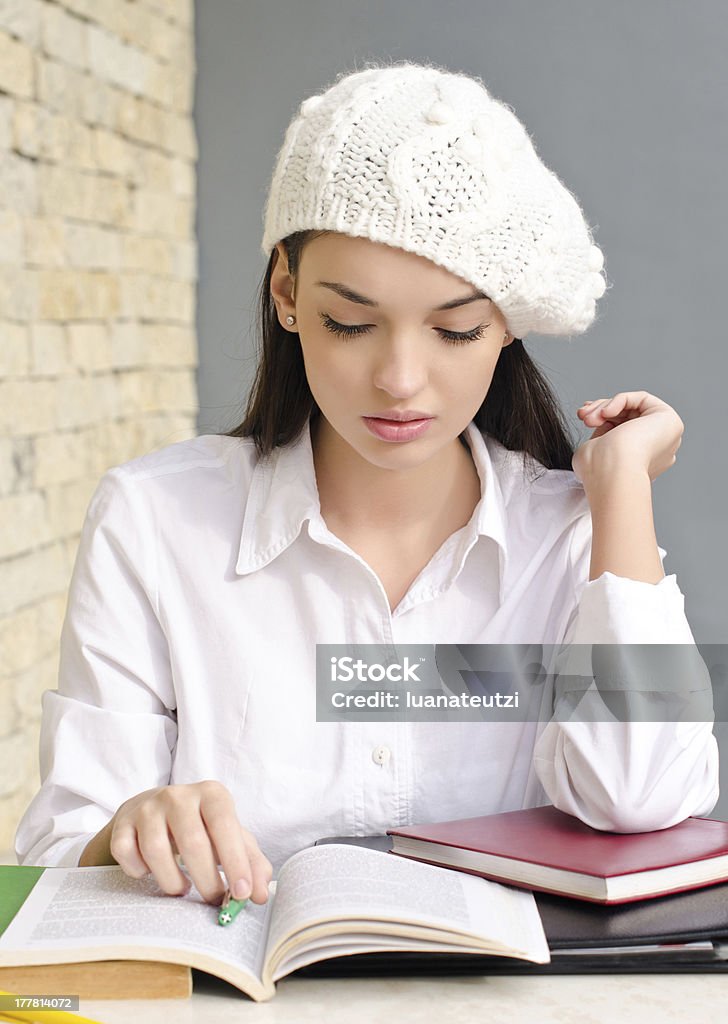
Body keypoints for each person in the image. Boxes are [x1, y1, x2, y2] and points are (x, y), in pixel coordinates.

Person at [15, 61, 718, 909]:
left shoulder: (571, 536)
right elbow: (55, 856)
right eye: (350, 322)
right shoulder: (154, 519)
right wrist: (134, 828)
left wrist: (622, 493)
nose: (399, 379)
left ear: (505, 326)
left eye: (455, 330)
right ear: (286, 292)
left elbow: (641, 797)